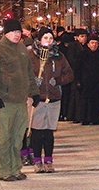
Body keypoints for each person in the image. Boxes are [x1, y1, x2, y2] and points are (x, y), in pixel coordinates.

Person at [0, 19, 40, 182]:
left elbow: (29, 73)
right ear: (6, 33)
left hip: (20, 101)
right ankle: (4, 170)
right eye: (13, 32)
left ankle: (15, 168)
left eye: (18, 32)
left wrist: (34, 93)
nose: (16, 35)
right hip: (4, 102)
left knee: (17, 138)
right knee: (3, 138)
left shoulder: (22, 49)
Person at [28, 27, 74, 172]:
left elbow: (69, 74)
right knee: (36, 131)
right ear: (39, 39)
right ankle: (37, 160)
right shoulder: (31, 55)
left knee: (48, 132)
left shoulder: (58, 56)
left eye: (50, 38)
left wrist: (58, 80)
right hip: (37, 98)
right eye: (45, 37)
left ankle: (48, 160)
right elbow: (23, 73)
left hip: (53, 98)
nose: (48, 40)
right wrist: (32, 82)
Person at [75, 34, 99, 125]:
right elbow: (77, 69)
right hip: (85, 81)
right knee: (86, 100)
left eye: (96, 43)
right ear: (88, 44)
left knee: (96, 101)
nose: (94, 45)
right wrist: (78, 81)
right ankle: (85, 118)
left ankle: (96, 118)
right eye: (92, 43)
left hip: (97, 81)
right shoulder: (82, 54)